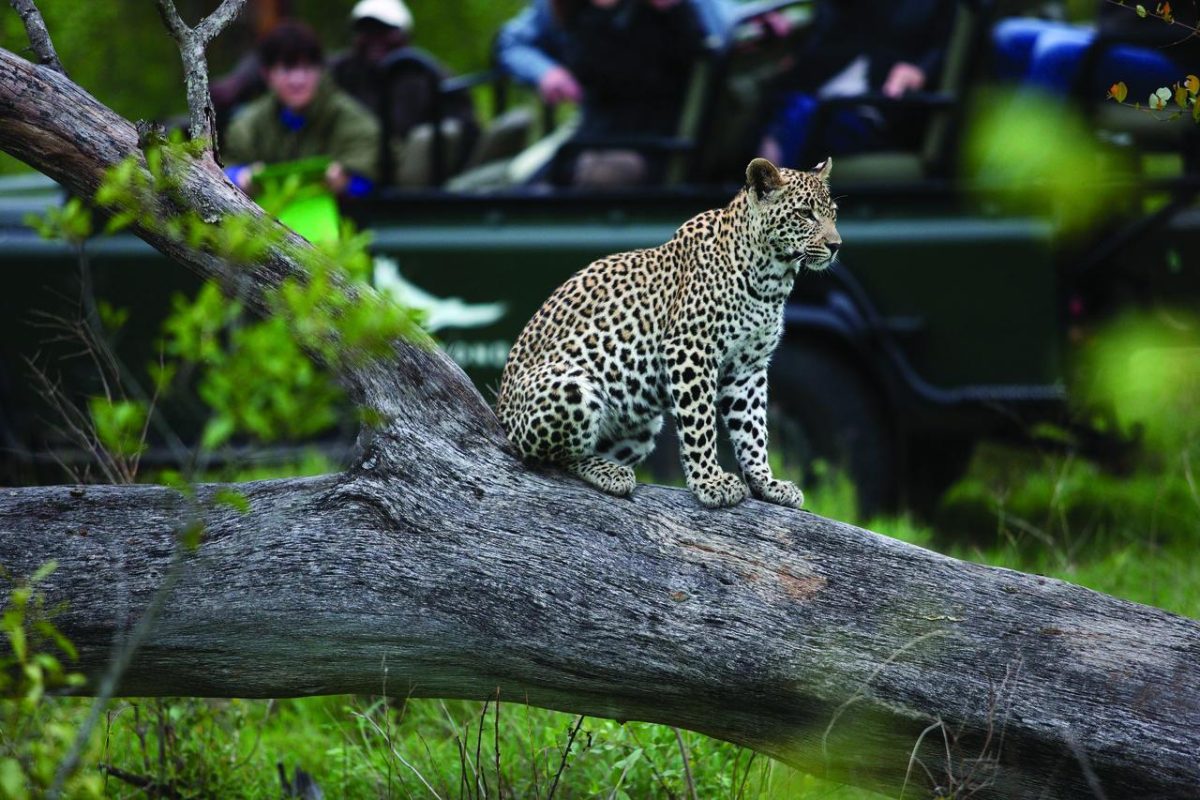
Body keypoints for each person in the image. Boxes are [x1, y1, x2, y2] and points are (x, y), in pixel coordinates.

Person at [494, 0, 733, 185]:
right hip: (595, 133)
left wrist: (676, 11)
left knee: (601, 173)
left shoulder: (676, 11)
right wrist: (545, 72)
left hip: (661, 138)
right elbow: (511, 43)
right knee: (521, 179)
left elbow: (725, 36)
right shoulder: (569, 10)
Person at [760, 0, 955, 168]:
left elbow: (947, 47)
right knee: (776, 105)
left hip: (875, 109)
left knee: (800, 115)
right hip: (820, 92)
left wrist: (921, 70)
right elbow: (822, 31)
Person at [223, 20, 382, 198]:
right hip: (262, 219)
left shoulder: (353, 119)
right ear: (267, 74)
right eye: (287, 69)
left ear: (321, 71)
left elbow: (369, 180)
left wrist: (346, 182)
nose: (298, 80)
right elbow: (225, 171)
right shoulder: (247, 124)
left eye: (307, 68)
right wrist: (241, 177)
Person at [330, 0, 478, 157]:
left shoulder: (426, 74)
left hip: (414, 167)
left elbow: (467, 130)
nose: (374, 39)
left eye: (384, 31)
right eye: (366, 31)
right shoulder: (343, 71)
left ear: (405, 34)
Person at [992, 3, 1198, 100]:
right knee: (1009, 35)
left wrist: (1105, 37)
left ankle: (1012, 175)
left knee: (1055, 50)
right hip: (1114, 36)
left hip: (1176, 59)